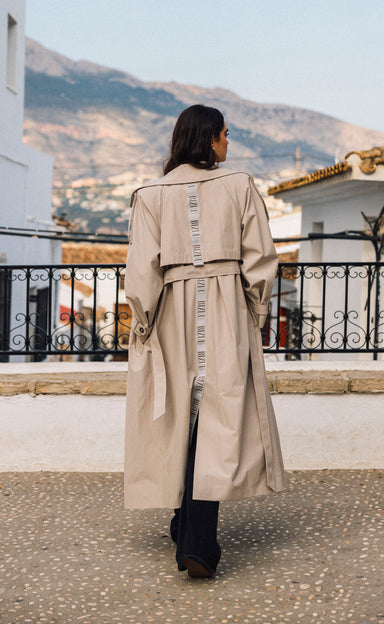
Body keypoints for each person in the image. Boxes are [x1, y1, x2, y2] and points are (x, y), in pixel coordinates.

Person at [124, 104, 285, 578]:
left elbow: (141, 272)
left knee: (180, 416)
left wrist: (143, 324)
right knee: (217, 420)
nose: (228, 143)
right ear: (210, 139)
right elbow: (261, 258)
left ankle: (185, 524)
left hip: (171, 312)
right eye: (225, 135)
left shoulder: (150, 194)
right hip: (226, 310)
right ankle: (197, 542)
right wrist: (254, 312)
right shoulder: (240, 185)